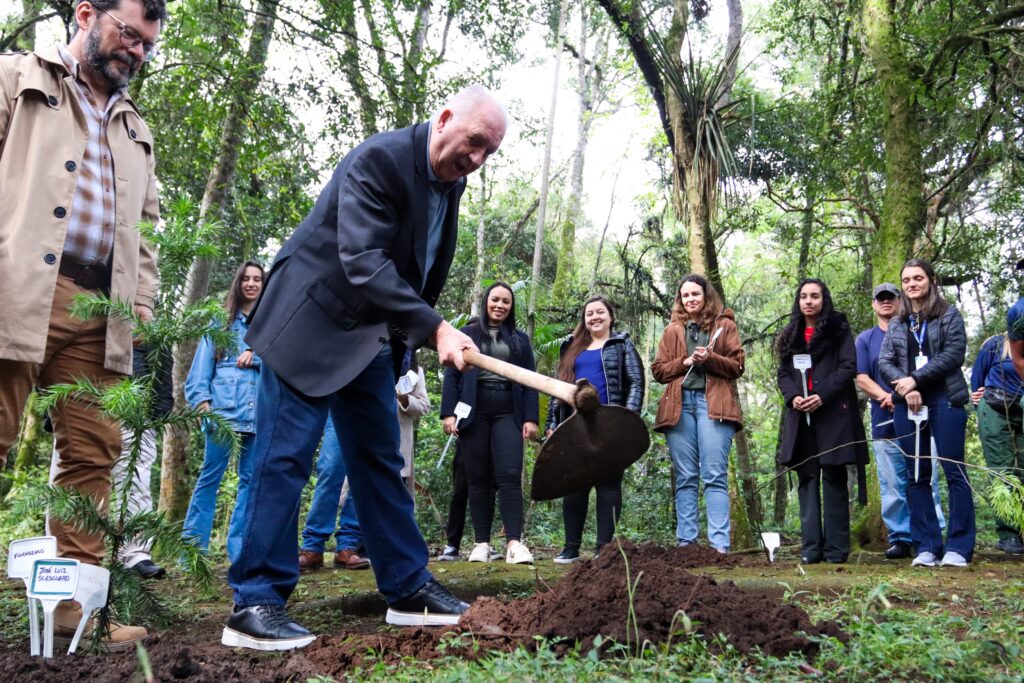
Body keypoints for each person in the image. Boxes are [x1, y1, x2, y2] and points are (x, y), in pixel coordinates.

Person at [223, 85, 508, 651]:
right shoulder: (380, 158)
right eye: (474, 144)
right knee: (284, 458)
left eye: (488, 153)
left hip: (369, 340)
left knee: (380, 460)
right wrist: (435, 326)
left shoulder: (451, 185)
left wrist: (405, 344)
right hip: (310, 325)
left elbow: (415, 268)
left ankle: (407, 587)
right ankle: (254, 601)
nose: (476, 160)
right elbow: (363, 260)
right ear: (446, 118)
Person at [0, 0, 166, 648]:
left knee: (93, 456)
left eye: (147, 45)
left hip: (101, 312)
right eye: (129, 34)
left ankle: (73, 611)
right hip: (17, 289)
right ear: (85, 13)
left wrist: (141, 307)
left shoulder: (135, 130)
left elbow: (147, 232)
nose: (136, 52)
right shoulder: (19, 80)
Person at [46, 346, 173, 582]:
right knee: (68, 477)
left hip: (136, 402)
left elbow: (160, 351)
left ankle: (136, 552)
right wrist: (50, 411)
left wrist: (159, 408)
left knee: (137, 476)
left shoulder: (140, 313)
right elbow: (51, 350)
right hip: (77, 399)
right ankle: (59, 551)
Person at [880, 258, 974, 568]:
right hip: (910, 405)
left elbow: (953, 355)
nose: (911, 284)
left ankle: (958, 547)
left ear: (931, 280)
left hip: (946, 399)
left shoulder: (948, 315)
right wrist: (908, 389)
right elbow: (885, 362)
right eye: (906, 280)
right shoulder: (898, 321)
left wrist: (916, 379)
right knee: (917, 474)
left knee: (953, 471)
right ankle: (927, 546)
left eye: (917, 278)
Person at [440, 282, 539, 564]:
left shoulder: (520, 340)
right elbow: (452, 376)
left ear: (511, 307)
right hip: (474, 411)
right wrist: (449, 413)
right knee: (477, 478)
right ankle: (481, 543)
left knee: (509, 475)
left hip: (508, 411)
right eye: (495, 299)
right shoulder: (467, 334)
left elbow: (530, 380)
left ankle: (514, 544)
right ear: (486, 302)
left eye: (506, 302)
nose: (499, 305)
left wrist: (530, 418)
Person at [776, 279, 868, 565]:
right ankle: (811, 548)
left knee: (833, 477)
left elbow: (848, 367)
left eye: (814, 296)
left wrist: (820, 395)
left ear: (823, 299)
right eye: (804, 296)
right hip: (800, 414)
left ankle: (836, 550)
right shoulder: (790, 334)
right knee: (807, 477)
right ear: (798, 301)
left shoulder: (838, 327)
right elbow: (783, 374)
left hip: (832, 413)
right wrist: (794, 398)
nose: (809, 301)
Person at [547, 296, 645, 563]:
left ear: (610, 316)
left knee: (608, 485)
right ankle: (570, 547)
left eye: (600, 312)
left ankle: (604, 547)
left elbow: (635, 382)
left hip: (611, 424)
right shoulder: (571, 347)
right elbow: (558, 387)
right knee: (574, 485)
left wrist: (629, 419)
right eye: (589, 314)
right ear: (584, 319)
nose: (595, 317)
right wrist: (552, 424)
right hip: (574, 426)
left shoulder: (622, 345)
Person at [652, 275, 744, 553]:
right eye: (685, 296)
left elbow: (738, 366)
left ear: (706, 296)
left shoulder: (724, 325)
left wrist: (711, 359)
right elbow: (658, 371)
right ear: (680, 300)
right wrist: (686, 361)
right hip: (679, 406)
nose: (691, 299)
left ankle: (719, 546)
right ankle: (686, 544)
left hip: (714, 405)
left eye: (696, 294)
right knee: (686, 476)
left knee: (715, 475)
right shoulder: (672, 330)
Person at [182, 261, 264, 563]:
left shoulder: (269, 325)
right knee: (209, 478)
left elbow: (285, 363)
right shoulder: (221, 323)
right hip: (224, 413)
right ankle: (193, 552)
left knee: (250, 482)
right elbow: (200, 369)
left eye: (257, 279)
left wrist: (257, 356)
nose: (251, 284)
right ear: (238, 283)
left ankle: (239, 552)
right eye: (246, 278)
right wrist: (203, 405)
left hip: (259, 416)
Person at [856, 284, 945, 559]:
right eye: (880, 299)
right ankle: (901, 537)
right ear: (873, 304)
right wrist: (888, 396)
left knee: (926, 477)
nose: (885, 303)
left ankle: (932, 533)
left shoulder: (915, 331)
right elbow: (861, 377)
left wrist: (904, 393)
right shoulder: (865, 339)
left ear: (900, 301)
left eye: (891, 298)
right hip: (884, 416)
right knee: (892, 481)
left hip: (920, 414)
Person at [969, 298, 1024, 554]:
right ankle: (1008, 532)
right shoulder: (993, 345)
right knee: (1003, 470)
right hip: (995, 410)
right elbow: (976, 383)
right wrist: (975, 399)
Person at [297, 418, 369, 571]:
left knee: (363, 474)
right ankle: (313, 546)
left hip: (370, 403)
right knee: (330, 469)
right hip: (337, 397)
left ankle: (347, 546)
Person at [397, 350, 432, 497]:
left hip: (399, 446)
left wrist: (405, 399)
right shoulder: (371, 364)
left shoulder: (414, 372)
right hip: (371, 442)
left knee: (395, 496)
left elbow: (424, 406)